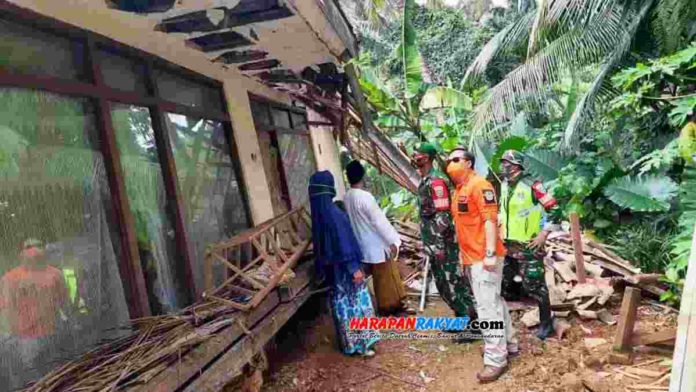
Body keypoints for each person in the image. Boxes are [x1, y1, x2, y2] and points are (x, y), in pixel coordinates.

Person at [446, 147, 518, 383]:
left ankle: (496, 359)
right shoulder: (459, 190)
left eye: (456, 159)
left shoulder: (480, 185)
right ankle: (509, 343)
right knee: (494, 301)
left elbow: (490, 221)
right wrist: (461, 254)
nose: (451, 164)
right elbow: (462, 227)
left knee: (487, 308)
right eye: (449, 160)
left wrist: (488, 254)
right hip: (471, 257)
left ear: (469, 163)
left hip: (484, 257)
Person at [308, 170, 379, 357]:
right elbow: (344, 244)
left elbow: (331, 247)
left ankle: (354, 345)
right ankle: (363, 344)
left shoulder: (321, 216)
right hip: (345, 272)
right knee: (355, 305)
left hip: (338, 273)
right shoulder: (333, 215)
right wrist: (354, 269)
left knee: (343, 308)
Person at [411, 143, 476, 324]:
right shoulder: (425, 181)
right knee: (443, 285)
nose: (415, 156)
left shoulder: (437, 181)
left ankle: (470, 324)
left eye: (419, 154)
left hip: (443, 244)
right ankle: (461, 320)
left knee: (452, 284)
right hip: (433, 244)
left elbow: (444, 215)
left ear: (427, 157)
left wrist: (438, 244)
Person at [499, 150, 561, 340]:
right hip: (509, 245)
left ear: (516, 166)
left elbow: (555, 209)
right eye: (503, 163)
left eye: (506, 163)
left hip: (529, 245)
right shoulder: (504, 185)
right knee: (505, 283)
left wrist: (544, 233)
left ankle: (546, 323)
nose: (503, 166)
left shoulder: (533, 186)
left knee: (535, 286)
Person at [343, 160, 416, 316]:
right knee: (386, 277)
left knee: (382, 277)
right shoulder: (365, 196)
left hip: (362, 242)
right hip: (376, 242)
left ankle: (393, 306)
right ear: (362, 176)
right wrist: (393, 241)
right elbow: (378, 221)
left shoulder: (347, 197)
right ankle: (390, 308)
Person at [0, 238, 68, 386]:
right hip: (26, 338)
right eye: (29, 247)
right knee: (33, 379)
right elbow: (6, 310)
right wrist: (13, 333)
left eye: (38, 245)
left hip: (53, 333)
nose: (34, 250)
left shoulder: (55, 274)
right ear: (21, 253)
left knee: (57, 374)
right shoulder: (10, 278)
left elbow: (64, 302)